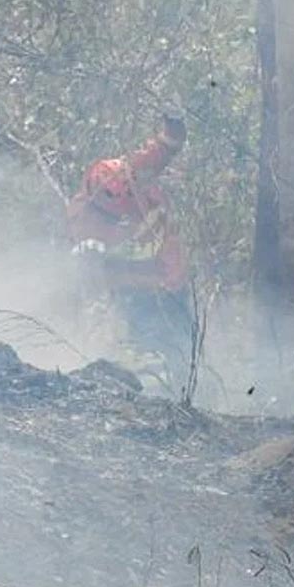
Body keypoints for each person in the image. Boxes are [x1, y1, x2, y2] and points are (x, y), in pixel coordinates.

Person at [66, 115, 192, 389]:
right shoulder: (86, 224)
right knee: (150, 365)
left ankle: (187, 395)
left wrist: (173, 132)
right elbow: (93, 276)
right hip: (136, 297)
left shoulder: (128, 172)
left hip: (173, 284)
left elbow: (160, 152)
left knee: (185, 355)